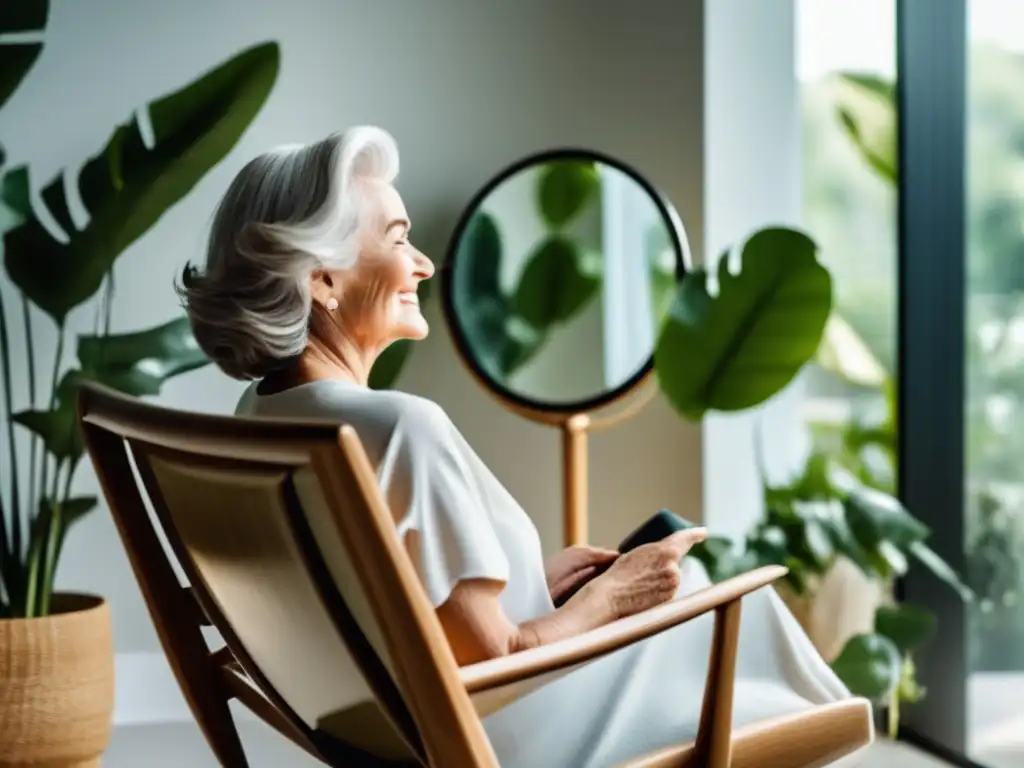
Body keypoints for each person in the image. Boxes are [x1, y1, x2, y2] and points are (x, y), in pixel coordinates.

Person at [178, 126, 872, 767]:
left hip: (386, 728)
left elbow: (375, 598)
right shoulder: (397, 430)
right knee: (723, 600)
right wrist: (608, 601)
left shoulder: (262, 417)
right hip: (517, 736)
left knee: (673, 592)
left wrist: (534, 585)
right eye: (397, 240)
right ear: (321, 279)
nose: (422, 263)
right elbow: (497, 662)